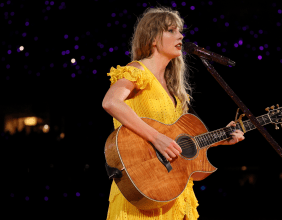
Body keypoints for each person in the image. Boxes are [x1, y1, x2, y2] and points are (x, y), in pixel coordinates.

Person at [102, 6, 245, 220]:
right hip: (142, 188)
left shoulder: (173, 90)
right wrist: (157, 138)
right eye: (171, 30)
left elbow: (176, 142)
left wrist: (220, 139)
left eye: (180, 31)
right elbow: (111, 102)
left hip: (173, 191)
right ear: (152, 38)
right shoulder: (137, 71)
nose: (180, 35)